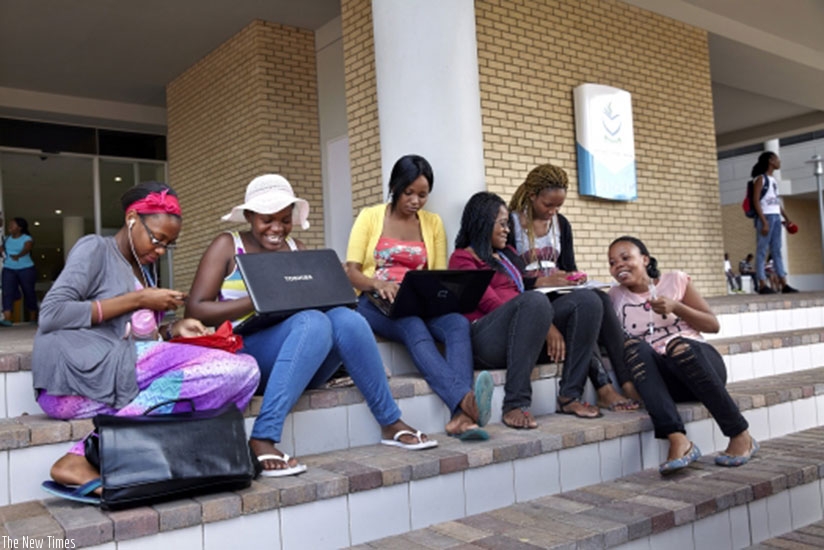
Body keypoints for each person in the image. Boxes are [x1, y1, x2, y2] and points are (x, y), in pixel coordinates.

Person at [187, 174, 437, 478]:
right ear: (250, 216)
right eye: (267, 219)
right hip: (249, 353)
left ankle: (390, 421)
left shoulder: (298, 249)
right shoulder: (228, 245)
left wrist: (331, 288)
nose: (277, 228)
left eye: (285, 219)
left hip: (302, 354)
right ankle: (262, 436)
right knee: (313, 321)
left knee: (347, 317)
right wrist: (258, 301)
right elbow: (196, 309)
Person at [32, 182, 260, 502]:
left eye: (170, 244)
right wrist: (138, 299)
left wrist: (173, 330)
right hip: (75, 378)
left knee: (239, 376)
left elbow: (132, 337)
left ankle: (163, 454)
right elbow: (52, 314)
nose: (161, 250)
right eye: (157, 238)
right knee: (241, 370)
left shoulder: (145, 272)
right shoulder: (95, 248)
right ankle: (85, 454)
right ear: (131, 220)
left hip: (115, 379)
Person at [345, 155, 493, 440]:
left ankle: (460, 417)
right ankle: (466, 401)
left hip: (419, 299)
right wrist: (377, 283)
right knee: (412, 325)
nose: (415, 200)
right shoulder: (370, 216)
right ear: (395, 187)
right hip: (375, 300)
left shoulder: (433, 223)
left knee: (457, 324)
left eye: (422, 195)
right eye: (408, 193)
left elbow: (436, 275)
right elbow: (351, 271)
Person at [607, 236, 758, 475]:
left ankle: (740, 435)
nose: (619, 266)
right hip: (665, 382)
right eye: (613, 263)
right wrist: (627, 384)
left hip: (701, 365)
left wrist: (677, 308)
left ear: (645, 259)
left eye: (626, 258)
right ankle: (678, 440)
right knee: (635, 347)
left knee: (678, 345)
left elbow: (712, 325)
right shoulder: (615, 297)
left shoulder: (674, 280)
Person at [450, 191, 597, 428]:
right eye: (502, 224)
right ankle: (515, 404)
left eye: (508, 224)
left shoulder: (506, 256)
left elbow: (523, 294)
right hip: (487, 339)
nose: (508, 230)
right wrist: (546, 324)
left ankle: (570, 394)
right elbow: (491, 304)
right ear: (482, 223)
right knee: (534, 301)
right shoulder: (462, 259)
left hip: (523, 331)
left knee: (588, 301)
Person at [508, 164, 638, 412]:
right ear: (532, 194)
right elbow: (507, 281)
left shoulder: (561, 225)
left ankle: (627, 382)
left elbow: (568, 266)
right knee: (587, 306)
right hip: (530, 305)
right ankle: (602, 388)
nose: (553, 211)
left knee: (599, 298)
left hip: (559, 299)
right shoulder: (512, 225)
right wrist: (539, 281)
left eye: (558, 206)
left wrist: (573, 278)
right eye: (548, 205)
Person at [750, 152, 797, 294]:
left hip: (776, 217)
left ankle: (784, 284)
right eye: (777, 159)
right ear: (770, 161)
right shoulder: (760, 179)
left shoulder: (773, 180)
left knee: (777, 251)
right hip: (766, 217)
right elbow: (756, 200)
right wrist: (764, 222)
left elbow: (776, 202)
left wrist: (787, 218)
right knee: (762, 251)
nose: (779, 161)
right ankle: (762, 284)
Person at [1, 217, 38, 325]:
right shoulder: (6, 239)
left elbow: (27, 248)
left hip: (26, 268)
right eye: (10, 224)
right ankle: (7, 318)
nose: (10, 226)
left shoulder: (27, 238)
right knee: (7, 292)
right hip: (9, 268)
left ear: (20, 228)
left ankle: (33, 317)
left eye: (13, 224)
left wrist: (19, 255)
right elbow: (3, 251)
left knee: (28, 291)